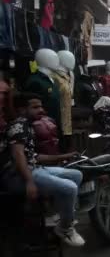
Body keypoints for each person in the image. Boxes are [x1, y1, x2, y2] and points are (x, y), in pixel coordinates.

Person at [0, 93, 84, 246]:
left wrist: (64, 156)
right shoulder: (19, 126)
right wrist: (30, 182)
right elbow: (18, 155)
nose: (41, 110)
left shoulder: (28, 126)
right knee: (70, 188)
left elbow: (34, 156)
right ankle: (65, 228)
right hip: (16, 176)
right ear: (21, 110)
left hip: (33, 169)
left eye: (41, 106)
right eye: (35, 107)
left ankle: (61, 216)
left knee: (76, 174)